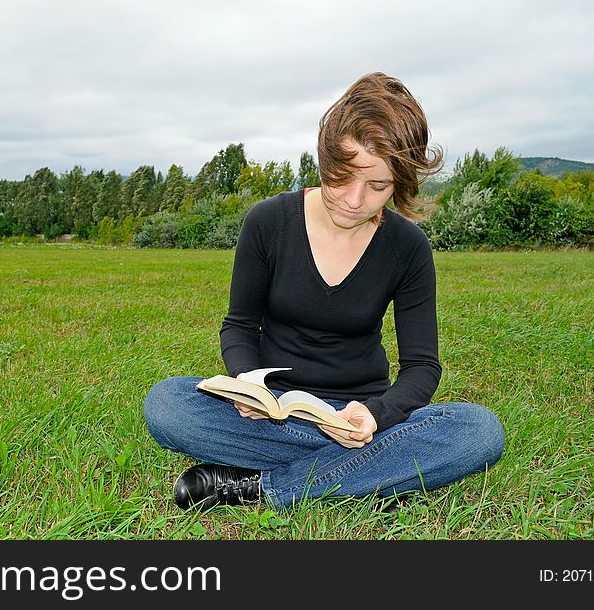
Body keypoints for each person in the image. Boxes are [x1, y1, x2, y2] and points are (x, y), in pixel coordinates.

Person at [143, 72, 505, 511]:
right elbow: (239, 326)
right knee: (166, 404)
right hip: (276, 413)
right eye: (344, 176)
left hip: (361, 418)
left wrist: (375, 415)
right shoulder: (268, 221)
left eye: (378, 186)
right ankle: (375, 475)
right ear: (325, 157)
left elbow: (422, 367)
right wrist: (245, 385)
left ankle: (261, 487)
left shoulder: (408, 247)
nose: (354, 200)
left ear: (400, 183)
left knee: (479, 430)